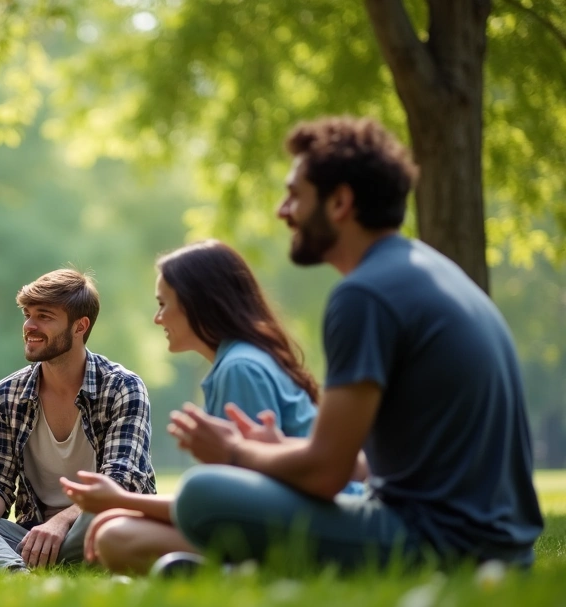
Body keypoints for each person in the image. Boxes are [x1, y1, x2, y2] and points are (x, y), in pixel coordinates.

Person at [165, 117, 543, 569]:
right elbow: (373, 465)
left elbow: (327, 474)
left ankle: (238, 569)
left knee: (199, 494)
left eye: (295, 196)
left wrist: (232, 451)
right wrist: (280, 447)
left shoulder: (364, 295)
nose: (283, 211)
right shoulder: (427, 269)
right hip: (501, 545)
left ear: (340, 202)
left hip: (441, 543)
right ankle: (239, 572)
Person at [63, 239, 340, 575]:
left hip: (306, 528)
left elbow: (238, 502)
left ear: (198, 303)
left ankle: (244, 570)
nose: (157, 318)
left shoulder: (240, 368)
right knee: (119, 530)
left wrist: (122, 501)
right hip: (286, 519)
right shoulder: (237, 363)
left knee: (118, 536)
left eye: (164, 304)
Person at [0, 269, 156, 571]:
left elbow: (120, 485)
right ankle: (16, 569)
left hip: (99, 522)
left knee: (108, 521)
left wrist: (60, 523)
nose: (29, 326)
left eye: (44, 316)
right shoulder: (7, 394)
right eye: (27, 315)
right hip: (31, 533)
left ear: (80, 327)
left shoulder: (122, 387)